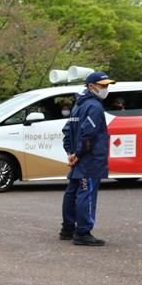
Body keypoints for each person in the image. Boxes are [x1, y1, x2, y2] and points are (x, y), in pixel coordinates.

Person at [61, 71, 115, 246]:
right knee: (87, 194)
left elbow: (67, 130)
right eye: (103, 85)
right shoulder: (94, 106)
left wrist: (70, 152)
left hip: (79, 157)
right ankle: (83, 232)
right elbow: (88, 135)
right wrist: (77, 153)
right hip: (89, 159)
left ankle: (68, 228)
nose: (106, 89)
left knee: (72, 192)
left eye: (107, 85)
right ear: (91, 86)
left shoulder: (78, 105)